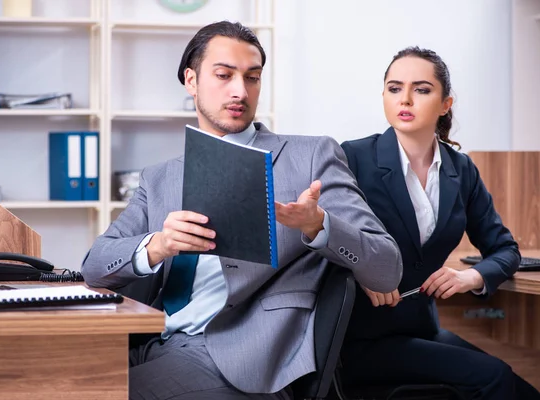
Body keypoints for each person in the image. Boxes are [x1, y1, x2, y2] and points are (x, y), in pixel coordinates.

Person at [81, 21, 403, 400]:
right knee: (41, 377)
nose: (240, 91)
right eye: (224, 75)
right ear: (191, 80)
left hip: (242, 362)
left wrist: (321, 227)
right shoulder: (160, 179)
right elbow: (94, 266)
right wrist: (158, 246)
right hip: (150, 342)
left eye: (252, 78)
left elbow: (386, 268)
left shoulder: (309, 158)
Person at [339, 46, 540, 399]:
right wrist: (360, 270)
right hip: (360, 338)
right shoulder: (352, 157)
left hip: (423, 330)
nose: (406, 99)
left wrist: (471, 276)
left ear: (446, 103)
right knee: (493, 377)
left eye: (421, 89)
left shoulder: (461, 170)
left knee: (515, 385)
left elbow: (505, 249)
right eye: (394, 88)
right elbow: (324, 242)